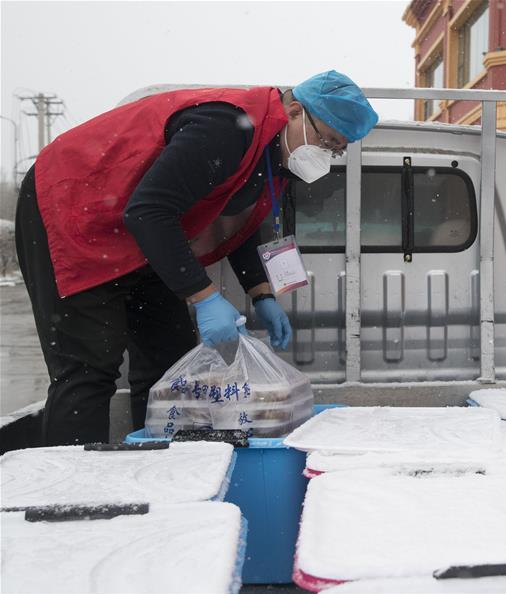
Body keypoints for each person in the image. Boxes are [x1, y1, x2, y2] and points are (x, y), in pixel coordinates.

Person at [15, 70, 378, 446]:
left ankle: (158, 463)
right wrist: (203, 297)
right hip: (74, 211)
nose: (328, 154)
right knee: (89, 367)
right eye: (328, 141)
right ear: (295, 111)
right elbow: (148, 210)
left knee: (169, 363)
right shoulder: (226, 128)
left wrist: (261, 293)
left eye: (337, 149)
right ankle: (71, 491)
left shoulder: (271, 155)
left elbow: (237, 222)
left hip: (144, 236)